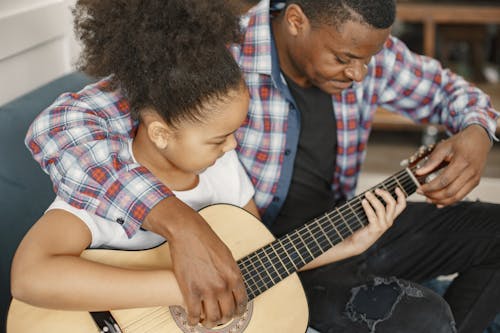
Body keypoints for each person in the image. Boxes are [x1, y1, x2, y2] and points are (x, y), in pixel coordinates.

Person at [22, 0, 500, 332]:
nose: (359, 74)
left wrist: (477, 131)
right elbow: (58, 127)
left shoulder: (368, 51)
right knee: (422, 316)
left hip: (323, 235)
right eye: (344, 58)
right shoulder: (211, 57)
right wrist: (183, 226)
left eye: (366, 60)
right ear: (296, 20)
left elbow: (451, 93)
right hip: (248, 252)